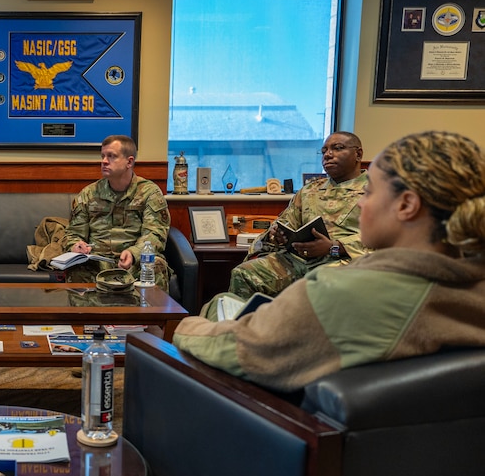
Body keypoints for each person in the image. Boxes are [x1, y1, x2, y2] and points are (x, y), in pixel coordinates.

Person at [172, 130, 485, 391]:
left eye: (371, 192)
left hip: (295, 431)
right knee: (238, 287)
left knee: (218, 309)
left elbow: (240, 349)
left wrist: (183, 328)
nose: (361, 202)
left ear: (406, 204)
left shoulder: (342, 292)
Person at [228, 131, 369, 299]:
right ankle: (244, 325)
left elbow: (387, 238)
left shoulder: (377, 191)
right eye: (324, 151)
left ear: (358, 154)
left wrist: (334, 246)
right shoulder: (310, 190)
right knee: (244, 274)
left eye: (337, 148)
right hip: (298, 260)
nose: (328, 155)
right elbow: (286, 223)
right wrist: (277, 235)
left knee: (324, 287)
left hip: (342, 263)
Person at [62, 134, 171, 287]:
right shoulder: (89, 194)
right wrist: (76, 245)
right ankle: (84, 312)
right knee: (76, 268)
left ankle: (152, 311)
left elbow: (155, 234)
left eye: (111, 156)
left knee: (156, 264)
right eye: (103, 156)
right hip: (97, 262)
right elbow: (73, 233)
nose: (104, 161)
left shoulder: (149, 193)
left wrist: (134, 253)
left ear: (129, 162)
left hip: (134, 262)